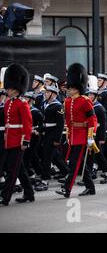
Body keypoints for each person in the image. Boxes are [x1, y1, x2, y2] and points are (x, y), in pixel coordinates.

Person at [56, 63, 97, 198]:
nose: (69, 90)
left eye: (72, 88)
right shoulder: (67, 101)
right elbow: (68, 120)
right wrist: (68, 134)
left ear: (78, 88)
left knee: (74, 163)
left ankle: (66, 189)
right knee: (79, 164)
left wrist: (90, 137)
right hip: (73, 135)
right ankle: (90, 187)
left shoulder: (85, 101)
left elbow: (92, 120)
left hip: (83, 136)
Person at [0, 64, 35, 205]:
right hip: (10, 138)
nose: (7, 91)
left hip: (18, 140)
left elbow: (27, 124)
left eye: (10, 88)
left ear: (16, 89)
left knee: (12, 170)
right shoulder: (8, 103)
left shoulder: (22, 104)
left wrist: (26, 140)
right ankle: (29, 193)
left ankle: (5, 196)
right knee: (19, 169)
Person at [34, 85, 69, 192]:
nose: (46, 94)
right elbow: (45, 122)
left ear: (53, 94)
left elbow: (60, 124)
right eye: (46, 92)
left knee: (47, 158)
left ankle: (45, 180)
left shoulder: (58, 106)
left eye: (48, 92)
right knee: (54, 157)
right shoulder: (45, 103)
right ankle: (68, 173)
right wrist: (39, 130)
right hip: (46, 133)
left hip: (53, 134)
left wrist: (57, 139)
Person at [86, 87, 107, 184]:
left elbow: (103, 124)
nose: (89, 96)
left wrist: (102, 138)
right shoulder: (90, 106)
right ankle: (89, 175)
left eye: (92, 95)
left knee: (98, 156)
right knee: (91, 156)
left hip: (97, 136)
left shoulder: (99, 108)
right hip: (90, 135)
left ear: (96, 97)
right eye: (89, 95)